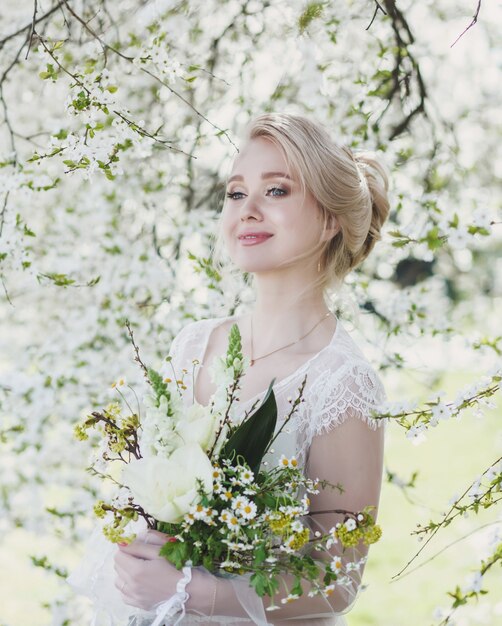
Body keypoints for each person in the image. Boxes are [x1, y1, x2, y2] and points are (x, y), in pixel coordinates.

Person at [69, 112, 391, 625]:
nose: (248, 210)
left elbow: (337, 580)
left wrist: (193, 590)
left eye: (277, 191)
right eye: (237, 194)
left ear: (330, 219)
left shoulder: (342, 383)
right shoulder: (195, 344)